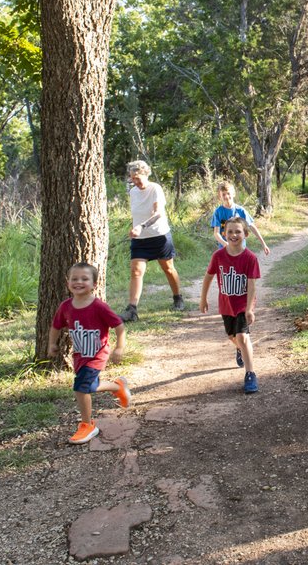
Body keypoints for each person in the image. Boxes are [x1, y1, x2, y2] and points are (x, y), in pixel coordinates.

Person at [47, 262, 132, 444]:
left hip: (97, 355)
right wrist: (52, 344)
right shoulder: (66, 306)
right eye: (74, 279)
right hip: (79, 356)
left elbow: (119, 325)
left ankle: (87, 425)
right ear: (68, 282)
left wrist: (119, 348)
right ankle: (118, 387)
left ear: (94, 283)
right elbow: (56, 326)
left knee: (80, 387)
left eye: (84, 279)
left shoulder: (99, 307)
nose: (79, 282)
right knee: (90, 387)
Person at [200, 216, 261, 394]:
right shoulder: (218, 256)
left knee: (242, 337)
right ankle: (240, 349)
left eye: (238, 231)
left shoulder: (250, 258)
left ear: (246, 234)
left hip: (243, 304)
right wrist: (203, 298)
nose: (234, 234)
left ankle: (250, 374)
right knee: (232, 337)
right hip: (226, 305)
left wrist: (249, 309)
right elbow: (208, 277)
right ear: (224, 234)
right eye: (230, 231)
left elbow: (251, 285)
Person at [121, 160, 184, 322]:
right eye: (132, 178)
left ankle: (178, 298)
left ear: (145, 173)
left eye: (137, 177)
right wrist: (135, 228)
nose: (135, 181)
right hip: (140, 239)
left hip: (159, 237)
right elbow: (138, 213)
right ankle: (132, 309)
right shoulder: (133, 192)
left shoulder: (155, 188)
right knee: (136, 271)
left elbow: (158, 213)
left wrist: (142, 226)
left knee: (168, 269)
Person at [210, 180, 270, 256]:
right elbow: (216, 233)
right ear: (220, 196)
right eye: (223, 194)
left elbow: (252, 226)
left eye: (228, 193)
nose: (226, 196)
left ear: (233, 194)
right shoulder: (218, 212)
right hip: (224, 249)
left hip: (240, 249)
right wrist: (225, 244)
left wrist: (263, 244)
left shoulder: (240, 211)